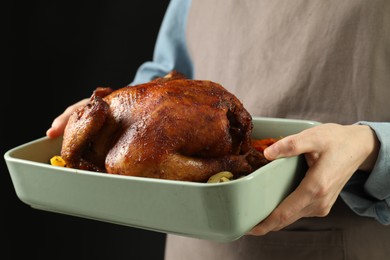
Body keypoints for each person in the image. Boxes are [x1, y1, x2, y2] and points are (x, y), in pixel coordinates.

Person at [47, 0, 390, 259]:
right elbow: (170, 70)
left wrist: (372, 145)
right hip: (194, 243)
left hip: (347, 241)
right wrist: (112, 117)